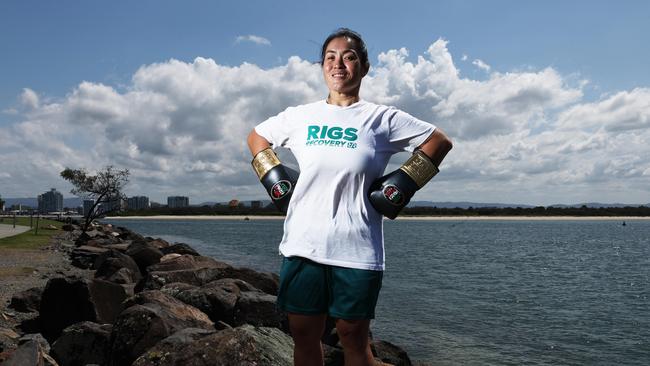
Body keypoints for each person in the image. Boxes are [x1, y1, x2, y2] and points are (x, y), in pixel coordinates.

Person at [247, 28, 452, 366]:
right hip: (303, 245)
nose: (338, 64)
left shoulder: (382, 118)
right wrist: (275, 180)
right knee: (303, 335)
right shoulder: (300, 116)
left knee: (353, 340)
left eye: (349, 57)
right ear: (322, 66)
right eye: (330, 57)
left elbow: (438, 142)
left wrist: (401, 185)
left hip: (357, 248)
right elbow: (257, 137)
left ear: (364, 67)